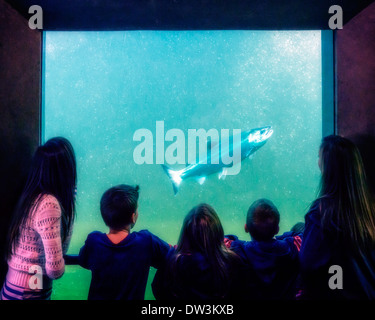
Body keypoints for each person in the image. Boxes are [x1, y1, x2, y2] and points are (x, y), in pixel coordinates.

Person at [299, 135, 375, 299]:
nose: (318, 161)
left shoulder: (321, 211)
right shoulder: (369, 209)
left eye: (320, 157)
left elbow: (309, 263)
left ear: (328, 166)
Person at [1, 137, 77, 300]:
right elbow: (55, 270)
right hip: (29, 291)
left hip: (21, 289)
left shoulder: (35, 198)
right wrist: (71, 204)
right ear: (66, 171)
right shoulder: (49, 205)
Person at [78, 184, 170, 300]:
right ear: (133, 217)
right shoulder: (146, 241)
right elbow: (170, 255)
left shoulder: (94, 241)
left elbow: (83, 260)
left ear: (104, 215)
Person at [152, 203, 241, 300]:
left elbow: (157, 288)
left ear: (185, 234)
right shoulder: (232, 261)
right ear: (218, 232)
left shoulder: (173, 261)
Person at [225, 199, 302, 300]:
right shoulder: (290, 248)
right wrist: (279, 239)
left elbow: (221, 240)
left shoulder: (238, 250)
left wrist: (235, 239)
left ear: (246, 228)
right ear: (277, 229)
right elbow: (304, 233)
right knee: (299, 227)